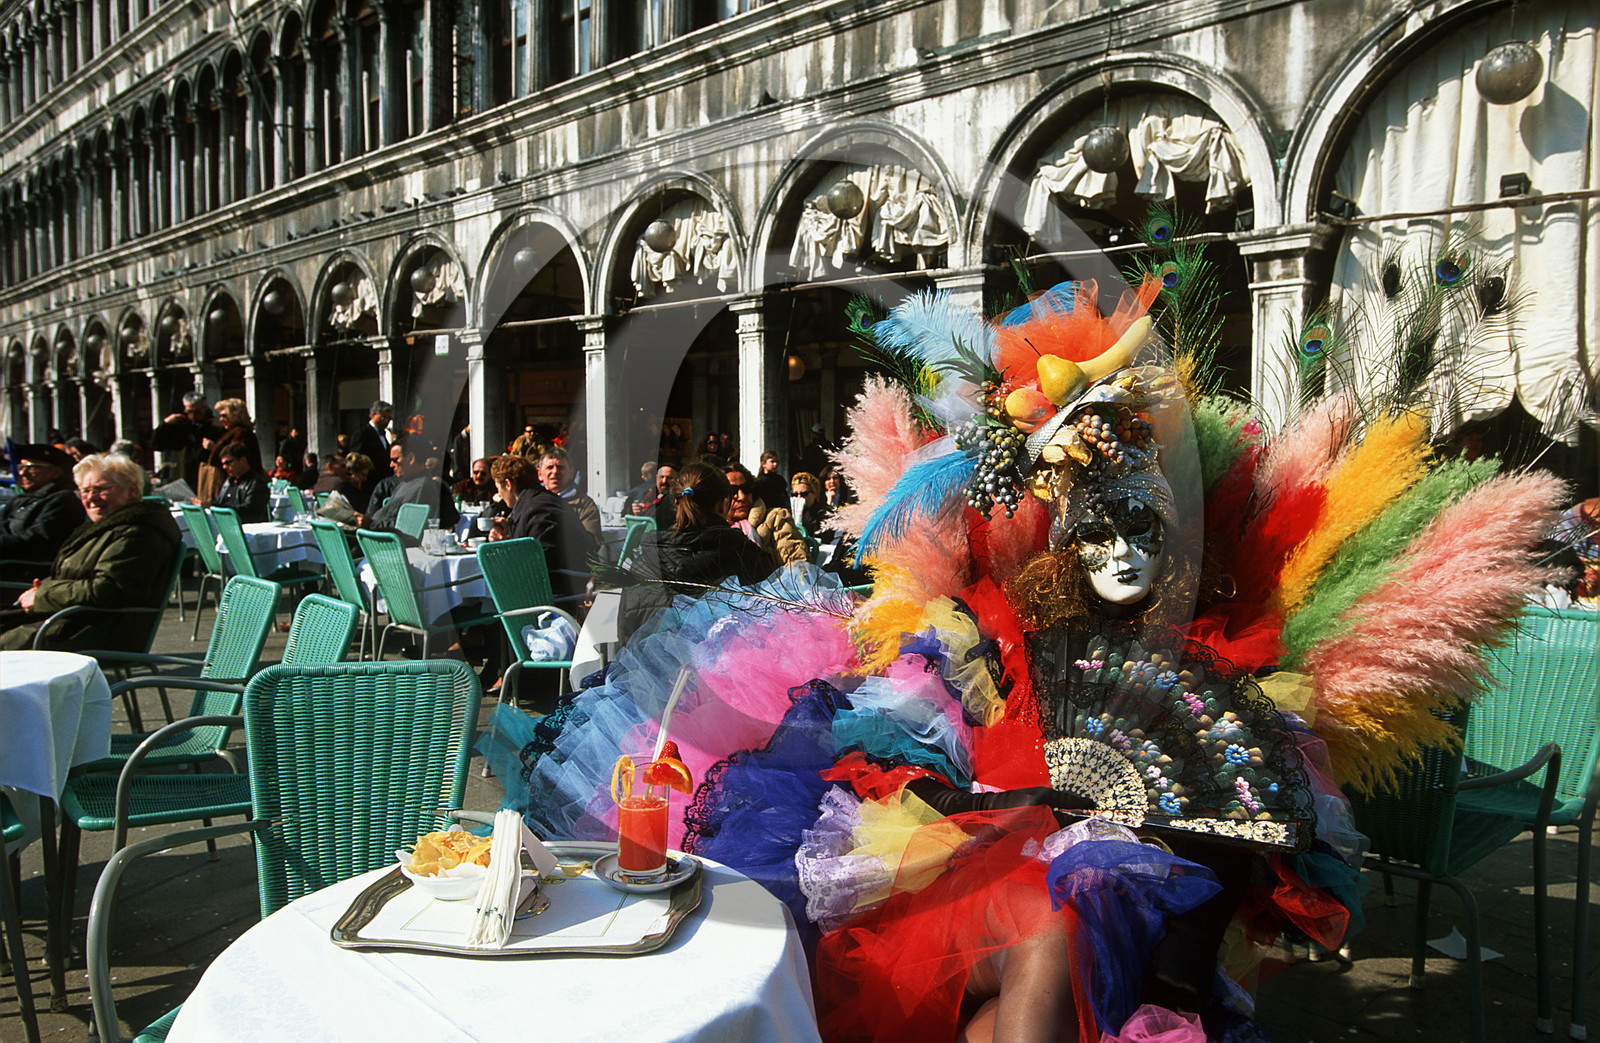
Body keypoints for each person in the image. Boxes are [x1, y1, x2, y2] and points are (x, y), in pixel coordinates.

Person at [0, 453, 182, 652]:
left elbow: (108, 589)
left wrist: (44, 595)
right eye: (85, 491)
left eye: (101, 489)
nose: (91, 498)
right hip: (70, 619)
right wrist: (43, 588)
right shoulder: (111, 527)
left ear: (131, 491)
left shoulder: (138, 534)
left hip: (94, 631)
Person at [616, 462, 779, 641]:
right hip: (722, 658)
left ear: (676, 502)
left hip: (646, 659)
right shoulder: (745, 555)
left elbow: (625, 633)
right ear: (723, 505)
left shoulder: (643, 562)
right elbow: (773, 625)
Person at [486, 455, 591, 604]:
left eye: (498, 488)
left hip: (557, 599)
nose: (500, 495)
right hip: (572, 588)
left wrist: (502, 549)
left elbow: (537, 564)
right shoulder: (542, 500)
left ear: (508, 484)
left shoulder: (536, 509)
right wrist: (507, 537)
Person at [0, 443, 86, 581]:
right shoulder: (22, 498)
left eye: (31, 467)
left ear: (56, 472)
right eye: (21, 467)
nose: (23, 473)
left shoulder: (63, 501)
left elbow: (36, 542)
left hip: (26, 571)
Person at [369, 435, 459, 533]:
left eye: (395, 460)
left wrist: (369, 523)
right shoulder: (405, 483)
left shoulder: (421, 487)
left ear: (411, 458)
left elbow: (407, 527)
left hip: (385, 538)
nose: (391, 465)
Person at [725, 463, 807, 566]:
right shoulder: (713, 529)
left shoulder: (776, 518)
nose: (742, 497)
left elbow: (798, 565)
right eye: (733, 491)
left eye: (746, 489)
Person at [196, 398, 264, 505]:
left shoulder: (241, 433)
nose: (221, 419)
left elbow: (234, 457)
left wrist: (213, 448)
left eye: (224, 416)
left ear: (235, 415)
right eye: (220, 416)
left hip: (240, 486)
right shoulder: (232, 432)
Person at [150, 392, 220, 491]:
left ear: (205, 409)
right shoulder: (178, 424)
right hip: (181, 473)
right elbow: (156, 445)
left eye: (197, 411)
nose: (193, 415)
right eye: (189, 411)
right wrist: (164, 424)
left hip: (205, 475)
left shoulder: (214, 426)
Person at [537, 447, 601, 553]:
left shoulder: (584, 504)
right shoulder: (530, 502)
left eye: (560, 467)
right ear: (539, 474)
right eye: (549, 467)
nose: (555, 471)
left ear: (571, 473)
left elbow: (592, 543)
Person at [211, 443, 271, 523]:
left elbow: (250, 512)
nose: (224, 467)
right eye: (223, 464)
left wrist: (219, 508)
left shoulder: (256, 484)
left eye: (228, 463)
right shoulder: (229, 483)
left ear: (243, 460)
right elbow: (219, 503)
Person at [352, 400, 394, 482]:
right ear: (373, 415)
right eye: (383, 418)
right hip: (370, 480)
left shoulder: (383, 434)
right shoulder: (362, 434)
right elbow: (357, 459)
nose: (386, 421)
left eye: (389, 418)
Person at [789, 470, 824, 536]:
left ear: (815, 494)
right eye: (795, 494)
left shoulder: (822, 514)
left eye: (804, 494)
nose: (799, 497)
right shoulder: (789, 513)